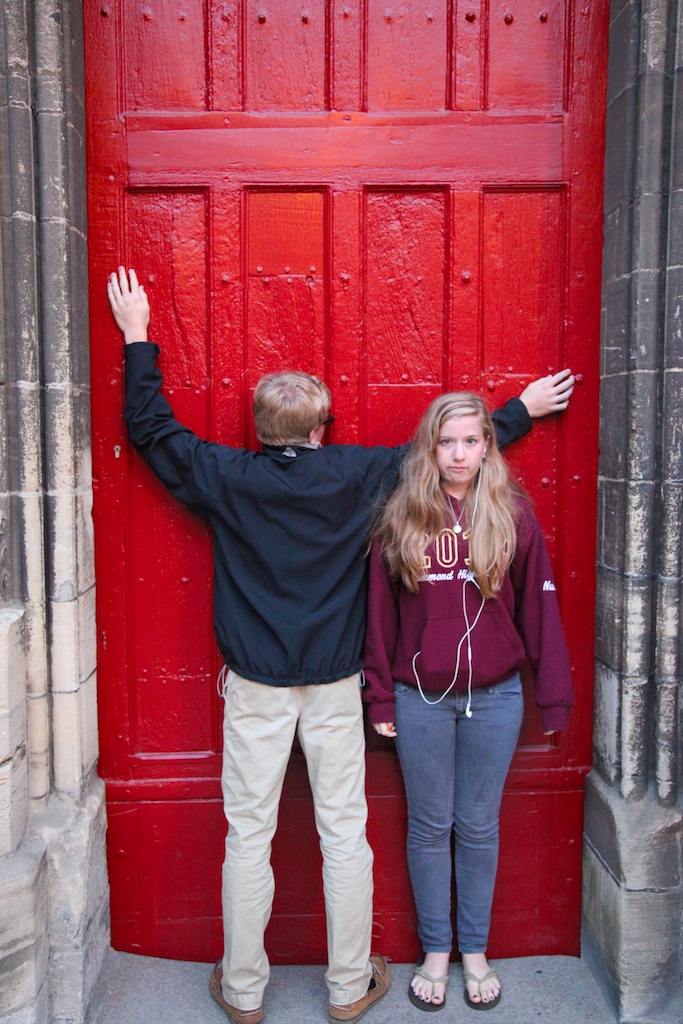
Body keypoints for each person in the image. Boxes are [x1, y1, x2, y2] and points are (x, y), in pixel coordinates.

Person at [106, 267, 573, 1024]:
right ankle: (348, 986)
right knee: (344, 836)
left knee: (247, 837)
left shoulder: (227, 475)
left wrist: (137, 336)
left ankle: (245, 992)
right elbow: (438, 454)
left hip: (256, 688)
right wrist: (519, 409)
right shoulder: (356, 473)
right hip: (332, 687)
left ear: (261, 430)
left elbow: (152, 430)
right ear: (320, 430)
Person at [362, 392, 573, 1013]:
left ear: (487, 447)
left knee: (479, 825)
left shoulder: (513, 513)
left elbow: (540, 607)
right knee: (429, 825)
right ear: (429, 448)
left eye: (471, 442)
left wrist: (554, 698)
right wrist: (381, 699)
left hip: (496, 698)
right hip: (421, 697)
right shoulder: (400, 515)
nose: (458, 454)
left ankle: (474, 951)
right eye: (446, 442)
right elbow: (377, 617)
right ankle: (436, 950)